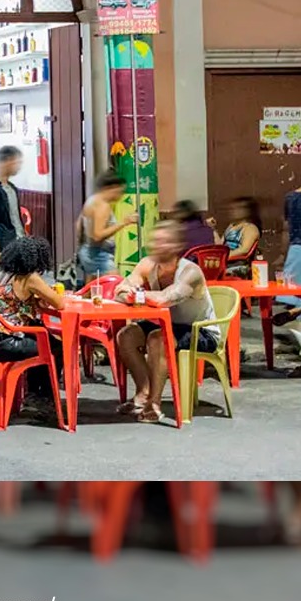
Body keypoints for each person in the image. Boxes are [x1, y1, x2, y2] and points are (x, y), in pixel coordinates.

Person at [114, 220, 220, 424]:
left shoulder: (190, 271)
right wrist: (130, 292)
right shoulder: (147, 265)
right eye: (155, 240)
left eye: (163, 241)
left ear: (177, 246)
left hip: (200, 330)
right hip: (167, 325)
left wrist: (136, 294)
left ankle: (154, 404)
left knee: (157, 338)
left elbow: (165, 298)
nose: (156, 245)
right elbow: (120, 290)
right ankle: (143, 393)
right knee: (126, 335)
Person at [0, 235, 65, 422]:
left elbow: (17, 299)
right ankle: (42, 396)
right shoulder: (30, 278)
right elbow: (59, 303)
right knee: (57, 346)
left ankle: (34, 393)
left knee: (42, 337)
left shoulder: (3, 273)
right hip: (8, 343)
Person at [75, 171, 136, 283]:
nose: (121, 195)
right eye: (120, 191)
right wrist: (124, 222)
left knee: (92, 291)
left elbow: (78, 226)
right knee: (115, 285)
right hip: (99, 254)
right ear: (113, 188)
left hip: (88, 250)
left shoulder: (91, 200)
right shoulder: (103, 206)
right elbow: (97, 235)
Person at [272, 185, 301, 328]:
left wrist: (283, 254)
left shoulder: (290, 197)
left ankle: (296, 337)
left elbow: (286, 228)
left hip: (296, 251)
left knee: (294, 297)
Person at [213, 196, 262, 276]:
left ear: (247, 211)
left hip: (238, 264)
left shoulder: (250, 228)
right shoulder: (231, 226)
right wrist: (214, 229)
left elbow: (244, 250)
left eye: (238, 208)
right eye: (232, 209)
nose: (234, 211)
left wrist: (224, 256)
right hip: (224, 262)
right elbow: (220, 246)